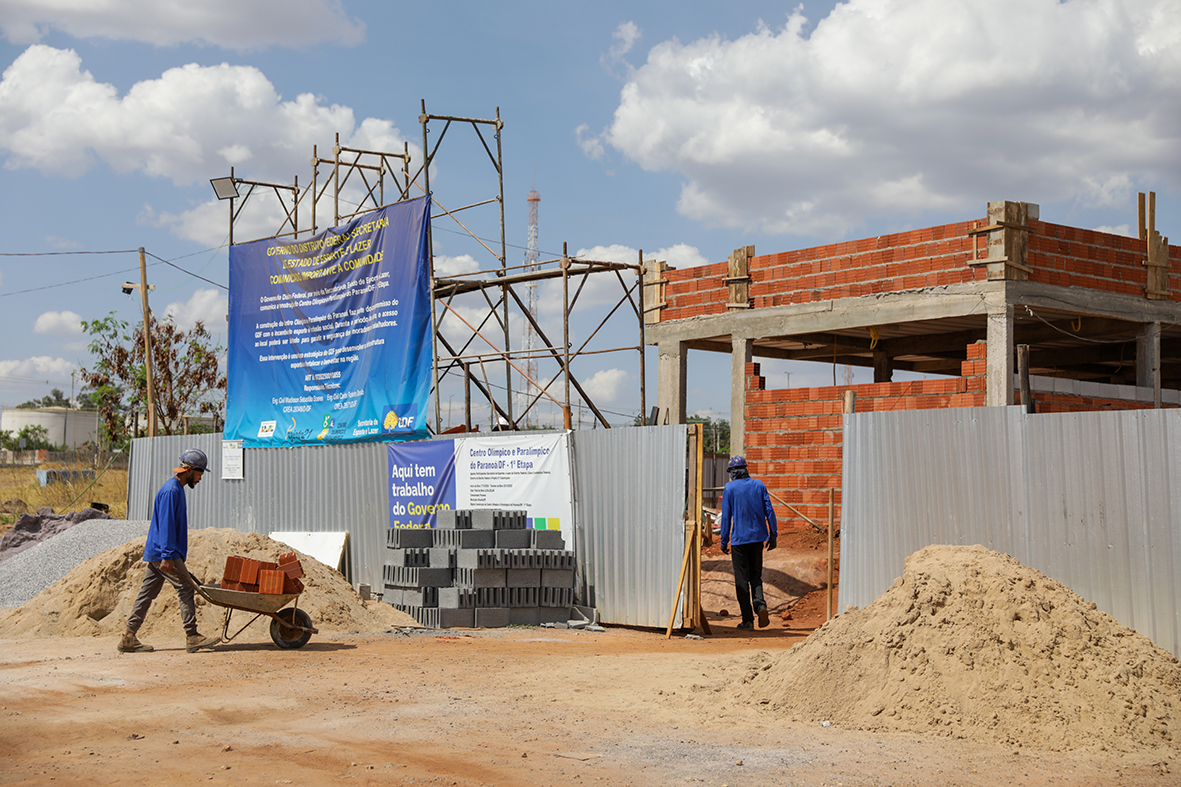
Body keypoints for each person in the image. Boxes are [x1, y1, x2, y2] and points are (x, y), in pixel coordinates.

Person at [118, 448, 221, 654]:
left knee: (146, 594)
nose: (200, 478)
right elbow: (166, 525)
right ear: (189, 470)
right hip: (164, 553)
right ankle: (192, 636)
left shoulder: (176, 489)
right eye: (200, 473)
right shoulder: (171, 491)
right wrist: (167, 556)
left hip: (160, 552)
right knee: (185, 588)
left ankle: (128, 638)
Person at [719, 455, 777, 630]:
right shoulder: (759, 485)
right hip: (758, 538)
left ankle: (747, 620)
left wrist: (724, 540)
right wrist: (773, 535)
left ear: (732, 473)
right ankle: (760, 606)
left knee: (741, 580)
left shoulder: (729, 488)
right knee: (755, 576)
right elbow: (770, 511)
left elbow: (726, 517)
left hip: (739, 541)